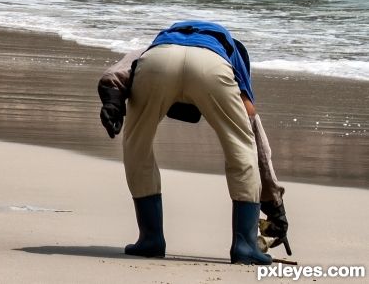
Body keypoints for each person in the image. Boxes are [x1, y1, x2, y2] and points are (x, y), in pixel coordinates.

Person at [97, 20, 290, 264]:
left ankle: (151, 239)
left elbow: (116, 73)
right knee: (242, 148)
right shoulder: (232, 52)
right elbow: (254, 136)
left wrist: (112, 102)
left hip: (159, 66)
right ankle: (245, 245)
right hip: (210, 68)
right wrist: (274, 205)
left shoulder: (160, 44)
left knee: (137, 145)